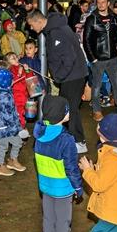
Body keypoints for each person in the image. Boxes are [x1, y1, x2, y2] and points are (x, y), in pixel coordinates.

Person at [27, 9, 89, 151]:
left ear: (38, 21)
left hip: (73, 76)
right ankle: (74, 138)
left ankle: (79, 141)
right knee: (68, 107)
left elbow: (69, 58)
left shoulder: (56, 32)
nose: (31, 28)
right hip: (73, 75)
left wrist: (59, 76)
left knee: (70, 109)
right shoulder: (55, 29)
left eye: (31, 25)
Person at [33, 95, 82, 232]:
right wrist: (78, 187)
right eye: (66, 110)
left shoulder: (39, 134)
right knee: (63, 219)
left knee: (48, 215)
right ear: (61, 115)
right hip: (62, 187)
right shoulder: (66, 140)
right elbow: (71, 167)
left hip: (45, 185)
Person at [83, 0, 117, 123]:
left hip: (113, 58)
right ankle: (96, 111)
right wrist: (93, 58)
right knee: (97, 86)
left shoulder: (114, 18)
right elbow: (86, 40)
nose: (101, 5)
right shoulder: (91, 19)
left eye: (103, 2)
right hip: (98, 59)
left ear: (108, 3)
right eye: (98, 2)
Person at [0, 67, 27, 176]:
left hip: (0, 125)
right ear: (6, 81)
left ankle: (7, 162)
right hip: (5, 126)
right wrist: (18, 127)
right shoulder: (4, 96)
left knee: (4, 145)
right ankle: (4, 164)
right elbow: (8, 115)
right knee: (14, 143)